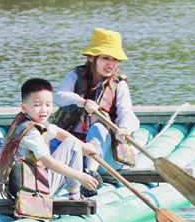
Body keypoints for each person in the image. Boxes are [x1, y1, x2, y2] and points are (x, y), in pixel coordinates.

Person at [0, 79, 100, 220]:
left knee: (73, 142)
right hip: (31, 191)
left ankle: (75, 191)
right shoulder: (31, 132)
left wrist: (85, 148)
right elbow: (48, 162)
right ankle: (75, 196)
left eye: (48, 105)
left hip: (22, 185)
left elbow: (58, 132)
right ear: (24, 107)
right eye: (37, 105)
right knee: (73, 145)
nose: (44, 109)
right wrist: (80, 176)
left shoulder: (26, 121)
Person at [52, 28, 140, 172]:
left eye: (115, 60)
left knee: (98, 128)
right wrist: (82, 102)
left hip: (105, 156)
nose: (111, 64)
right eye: (105, 58)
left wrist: (124, 129)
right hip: (76, 147)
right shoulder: (75, 75)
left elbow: (127, 114)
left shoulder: (119, 84)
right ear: (92, 58)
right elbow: (59, 97)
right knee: (50, 132)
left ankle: (91, 173)